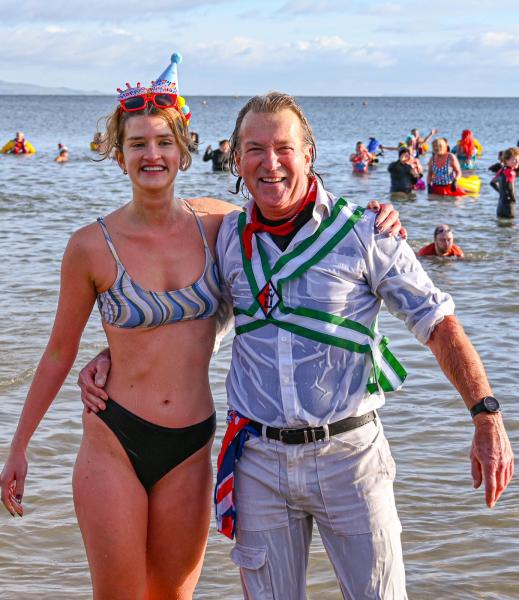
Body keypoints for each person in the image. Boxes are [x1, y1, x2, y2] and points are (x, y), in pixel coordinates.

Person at [82, 92, 512, 599]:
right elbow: (197, 320)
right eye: (254, 149)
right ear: (237, 160)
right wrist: (119, 356)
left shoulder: (366, 232)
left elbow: (437, 322)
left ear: (308, 154)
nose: (270, 163)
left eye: (283, 148)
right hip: (259, 462)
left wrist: (485, 415)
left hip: (350, 457)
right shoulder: (227, 238)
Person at [0, 52, 237, 599]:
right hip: (114, 440)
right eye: (138, 144)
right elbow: (58, 352)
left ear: (183, 149)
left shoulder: (219, 223)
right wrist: (19, 446)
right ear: (118, 153)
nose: (152, 154)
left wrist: (371, 218)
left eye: (163, 142)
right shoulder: (90, 246)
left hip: (191, 445)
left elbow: (292, 215)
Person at [490, 146, 519, 218]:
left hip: (500, 206)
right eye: (514, 159)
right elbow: (510, 188)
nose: (517, 162)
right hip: (508, 207)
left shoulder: (501, 170)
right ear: (506, 160)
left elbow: (492, 183)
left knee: (500, 224)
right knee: (511, 224)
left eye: (518, 159)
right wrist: (514, 200)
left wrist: (500, 192)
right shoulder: (511, 172)